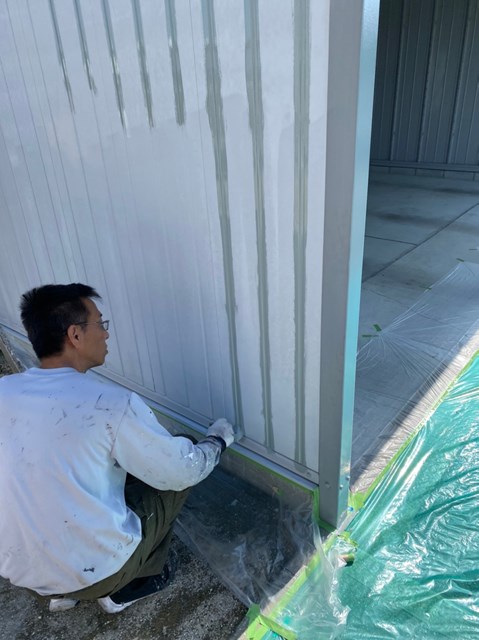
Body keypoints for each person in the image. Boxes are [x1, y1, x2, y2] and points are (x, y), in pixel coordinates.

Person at [0, 283, 236, 614]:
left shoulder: (5, 390)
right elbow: (183, 470)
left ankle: (61, 591)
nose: (106, 334)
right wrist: (217, 441)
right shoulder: (110, 404)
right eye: (100, 323)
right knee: (182, 454)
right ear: (75, 335)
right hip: (98, 573)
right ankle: (126, 587)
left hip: (23, 574)